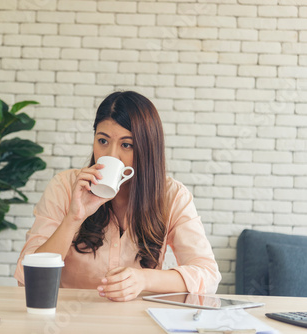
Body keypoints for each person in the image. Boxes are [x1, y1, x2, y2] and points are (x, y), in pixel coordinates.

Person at [14, 91, 221, 302]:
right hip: (70, 320)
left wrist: (144, 279)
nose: (110, 155)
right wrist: (73, 218)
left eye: (126, 144)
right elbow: (27, 277)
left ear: (147, 149)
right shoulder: (64, 187)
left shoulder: (172, 196)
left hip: (138, 320)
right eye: (102, 140)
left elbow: (208, 275)